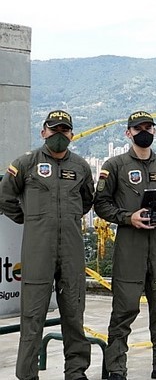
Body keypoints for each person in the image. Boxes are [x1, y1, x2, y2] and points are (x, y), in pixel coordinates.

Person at [93, 111, 156, 380]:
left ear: (155, 131)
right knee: (124, 309)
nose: (144, 132)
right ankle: (115, 368)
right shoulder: (115, 165)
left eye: (148, 127)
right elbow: (101, 204)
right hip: (129, 243)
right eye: (138, 128)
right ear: (128, 133)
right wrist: (128, 217)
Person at [0, 110, 94, 380]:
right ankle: (27, 375)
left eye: (64, 130)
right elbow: (4, 196)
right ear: (43, 132)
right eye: (54, 130)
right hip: (37, 250)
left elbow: (87, 200)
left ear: (71, 135)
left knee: (74, 314)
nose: (59, 135)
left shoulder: (81, 167)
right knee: (32, 316)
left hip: (72, 250)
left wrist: (68, 220)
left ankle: (76, 371)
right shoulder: (26, 163)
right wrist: (30, 219)